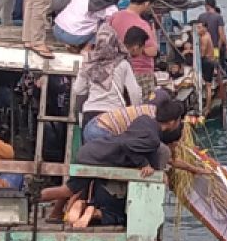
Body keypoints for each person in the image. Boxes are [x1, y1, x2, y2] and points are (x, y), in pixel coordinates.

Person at [40, 100, 185, 228]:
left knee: (70, 189)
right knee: (69, 190)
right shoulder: (152, 139)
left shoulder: (145, 119)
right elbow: (127, 144)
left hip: (93, 151)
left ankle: (55, 212)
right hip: (96, 157)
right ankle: (36, 197)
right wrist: (143, 164)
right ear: (172, 122)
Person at [71, 24, 142, 129]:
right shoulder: (122, 64)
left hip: (90, 113)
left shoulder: (88, 62)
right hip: (114, 114)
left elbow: (78, 89)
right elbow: (134, 92)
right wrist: (134, 113)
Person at [108, 0, 158, 85]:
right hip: (139, 71)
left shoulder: (114, 17)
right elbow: (152, 51)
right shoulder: (142, 25)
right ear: (146, 4)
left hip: (116, 68)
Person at [54, 0, 123, 46]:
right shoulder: (110, 8)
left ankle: (72, 43)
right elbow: (114, 20)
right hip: (73, 37)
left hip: (57, 28)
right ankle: (88, 47)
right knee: (105, 23)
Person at [120, 26, 155, 102]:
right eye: (143, 47)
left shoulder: (118, 57)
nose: (143, 51)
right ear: (136, 47)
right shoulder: (124, 63)